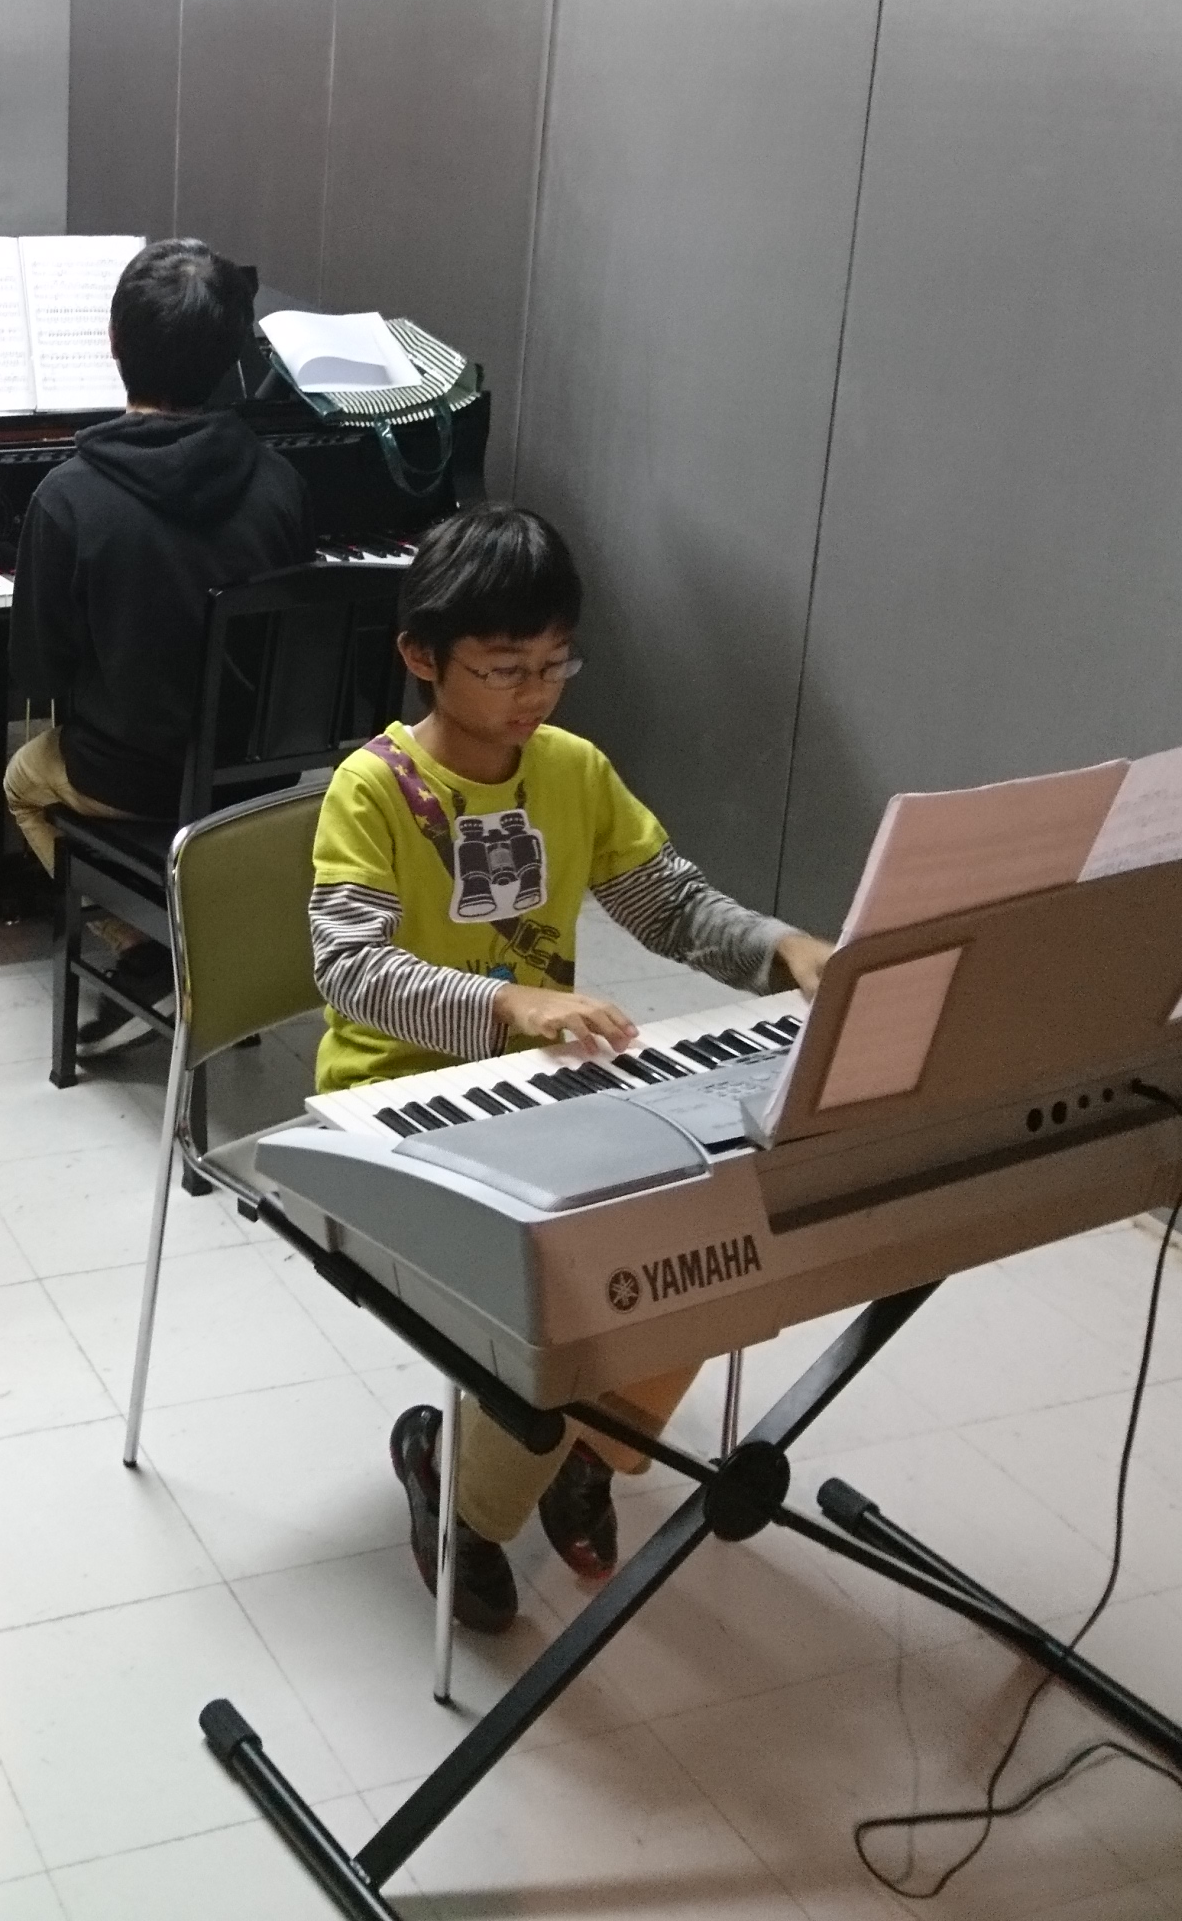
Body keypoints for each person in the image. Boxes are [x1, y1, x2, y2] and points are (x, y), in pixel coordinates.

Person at [308, 503, 833, 1632]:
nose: (534, 693)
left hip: (542, 1086)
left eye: (555, 665)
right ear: (421, 657)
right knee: (568, 1272)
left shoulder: (572, 771)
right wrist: (510, 1003)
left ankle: (587, 1446)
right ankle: (463, 1492)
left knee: (711, 1237)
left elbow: (669, 905)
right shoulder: (372, 788)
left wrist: (783, 947)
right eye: (505, 668)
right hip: (398, 1099)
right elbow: (352, 971)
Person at [6, 239, 310, 1039]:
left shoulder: (68, 495)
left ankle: (143, 941)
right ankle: (204, 927)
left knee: (21, 783)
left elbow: (39, 670)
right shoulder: (281, 482)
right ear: (234, 356)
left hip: (128, 778)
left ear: (113, 343)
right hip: (255, 778)